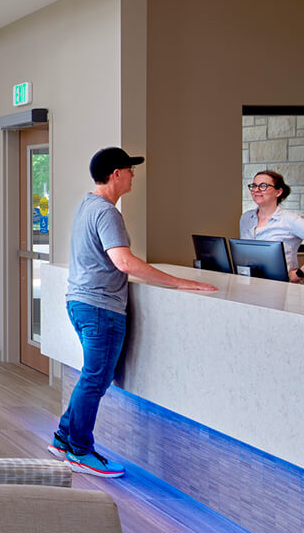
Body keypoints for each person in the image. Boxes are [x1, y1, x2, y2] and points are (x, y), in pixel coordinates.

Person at [49, 147, 216, 478]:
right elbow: (123, 261)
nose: (133, 176)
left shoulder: (87, 205)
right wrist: (178, 283)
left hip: (81, 302)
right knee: (96, 377)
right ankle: (79, 451)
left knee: (93, 376)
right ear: (116, 175)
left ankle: (63, 438)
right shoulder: (108, 213)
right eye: (130, 170)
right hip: (100, 307)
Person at [240, 170, 304, 283]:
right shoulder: (246, 218)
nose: (256, 190)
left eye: (263, 186)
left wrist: (299, 273)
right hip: (252, 286)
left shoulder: (290, 220)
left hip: (283, 288)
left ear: (278, 192)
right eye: (254, 186)